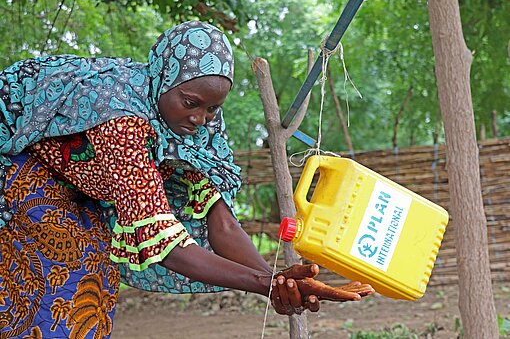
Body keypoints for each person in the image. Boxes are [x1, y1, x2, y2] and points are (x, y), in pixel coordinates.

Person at [0, 21, 374, 338]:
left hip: (82, 186)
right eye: (191, 103)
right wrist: (266, 285)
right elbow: (168, 245)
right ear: (164, 79)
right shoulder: (120, 118)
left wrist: (280, 279)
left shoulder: (200, 124)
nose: (201, 118)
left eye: (213, 108)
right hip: (25, 169)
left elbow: (222, 223)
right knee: (65, 278)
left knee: (93, 282)